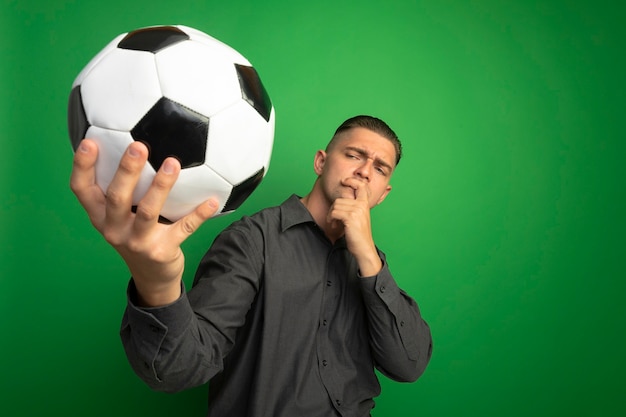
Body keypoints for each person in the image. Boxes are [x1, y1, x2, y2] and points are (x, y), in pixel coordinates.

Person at [70, 115, 432, 417]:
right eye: (354, 155)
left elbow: (409, 364)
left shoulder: (371, 265)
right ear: (321, 162)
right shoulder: (251, 240)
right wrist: (156, 282)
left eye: (380, 168)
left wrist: (368, 256)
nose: (365, 171)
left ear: (383, 193)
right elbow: (181, 367)